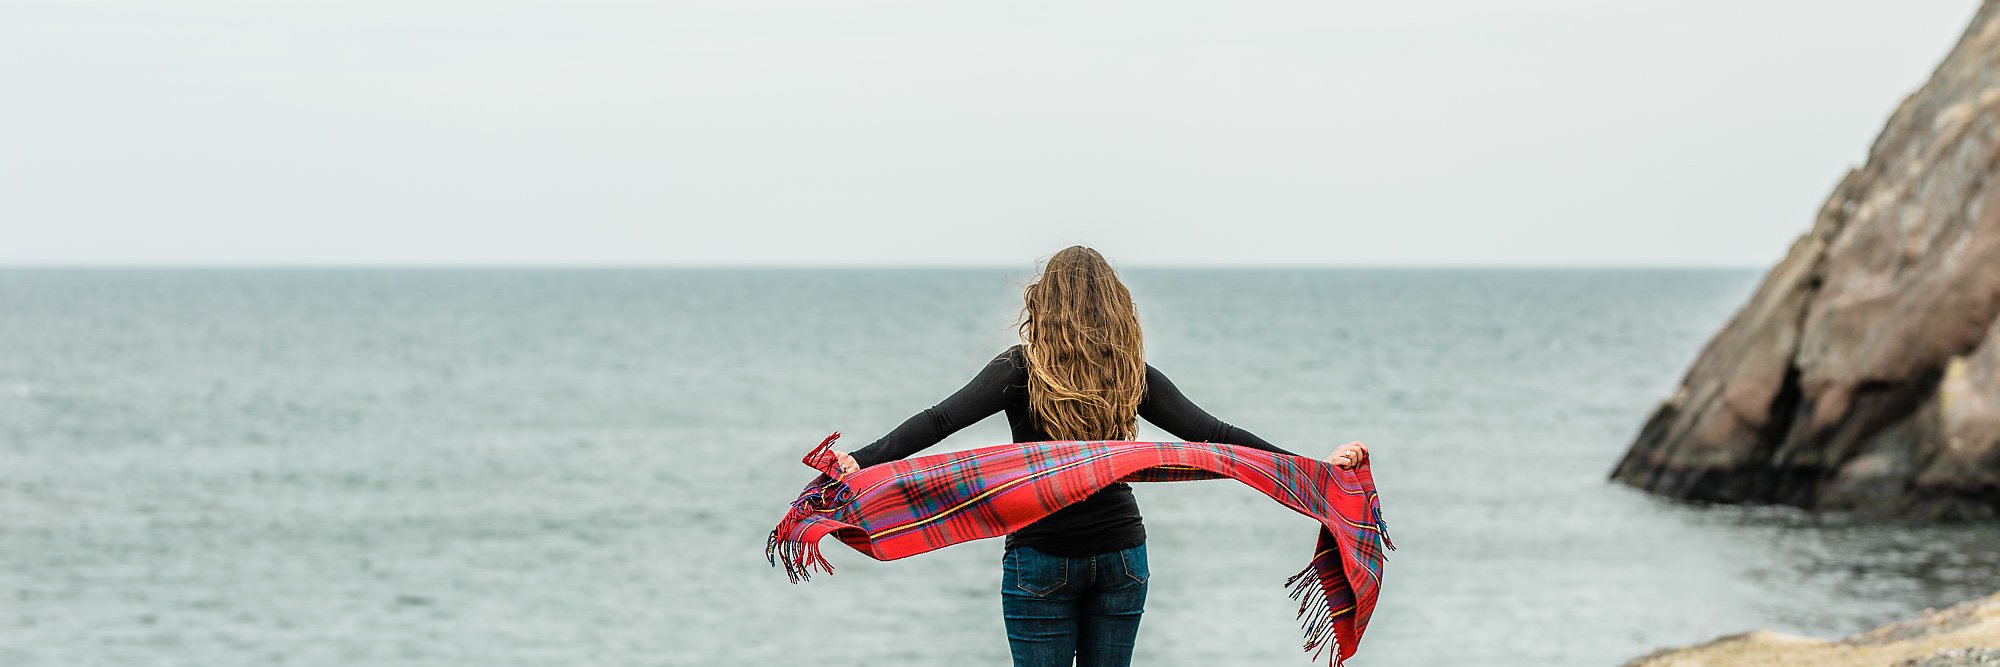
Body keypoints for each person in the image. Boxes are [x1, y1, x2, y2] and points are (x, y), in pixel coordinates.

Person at [831, 245, 1369, 667]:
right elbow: (1215, 435)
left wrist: (860, 460)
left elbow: (939, 421)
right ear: (1115, 307)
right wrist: (1314, 470)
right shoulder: (1132, 375)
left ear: (1043, 305)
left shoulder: (1020, 369)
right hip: (1121, 556)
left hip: (1041, 554)